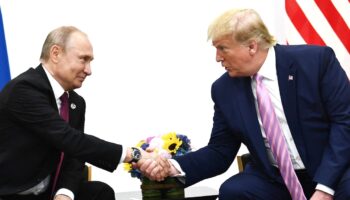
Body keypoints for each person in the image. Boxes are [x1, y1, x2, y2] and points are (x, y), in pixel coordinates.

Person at [141, 8, 350, 200]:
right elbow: (220, 150)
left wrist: (325, 188)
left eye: (222, 48)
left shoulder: (315, 61)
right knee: (235, 191)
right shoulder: (224, 89)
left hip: (333, 171)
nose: (217, 58)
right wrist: (172, 166)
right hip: (276, 180)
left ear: (252, 46)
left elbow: (344, 123)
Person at [0, 26, 168, 200]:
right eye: (83, 59)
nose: (89, 70)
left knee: (100, 192)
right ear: (56, 53)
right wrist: (133, 154)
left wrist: (64, 193)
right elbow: (70, 139)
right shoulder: (24, 89)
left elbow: (74, 156)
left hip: (48, 193)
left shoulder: (75, 103)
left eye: (90, 61)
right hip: (10, 193)